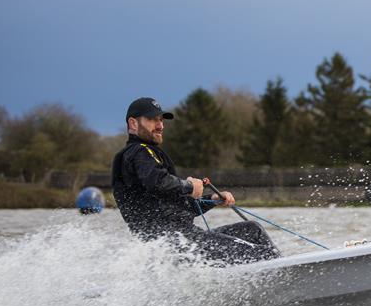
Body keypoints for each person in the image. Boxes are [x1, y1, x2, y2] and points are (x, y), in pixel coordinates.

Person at [111, 97, 280, 265]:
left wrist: (211, 200)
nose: (160, 126)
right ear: (133, 124)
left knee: (252, 229)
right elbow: (158, 182)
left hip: (187, 239)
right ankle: (281, 273)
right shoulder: (138, 153)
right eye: (152, 120)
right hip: (177, 244)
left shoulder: (147, 157)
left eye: (161, 120)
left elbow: (179, 206)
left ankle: (272, 271)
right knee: (265, 255)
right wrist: (189, 185)